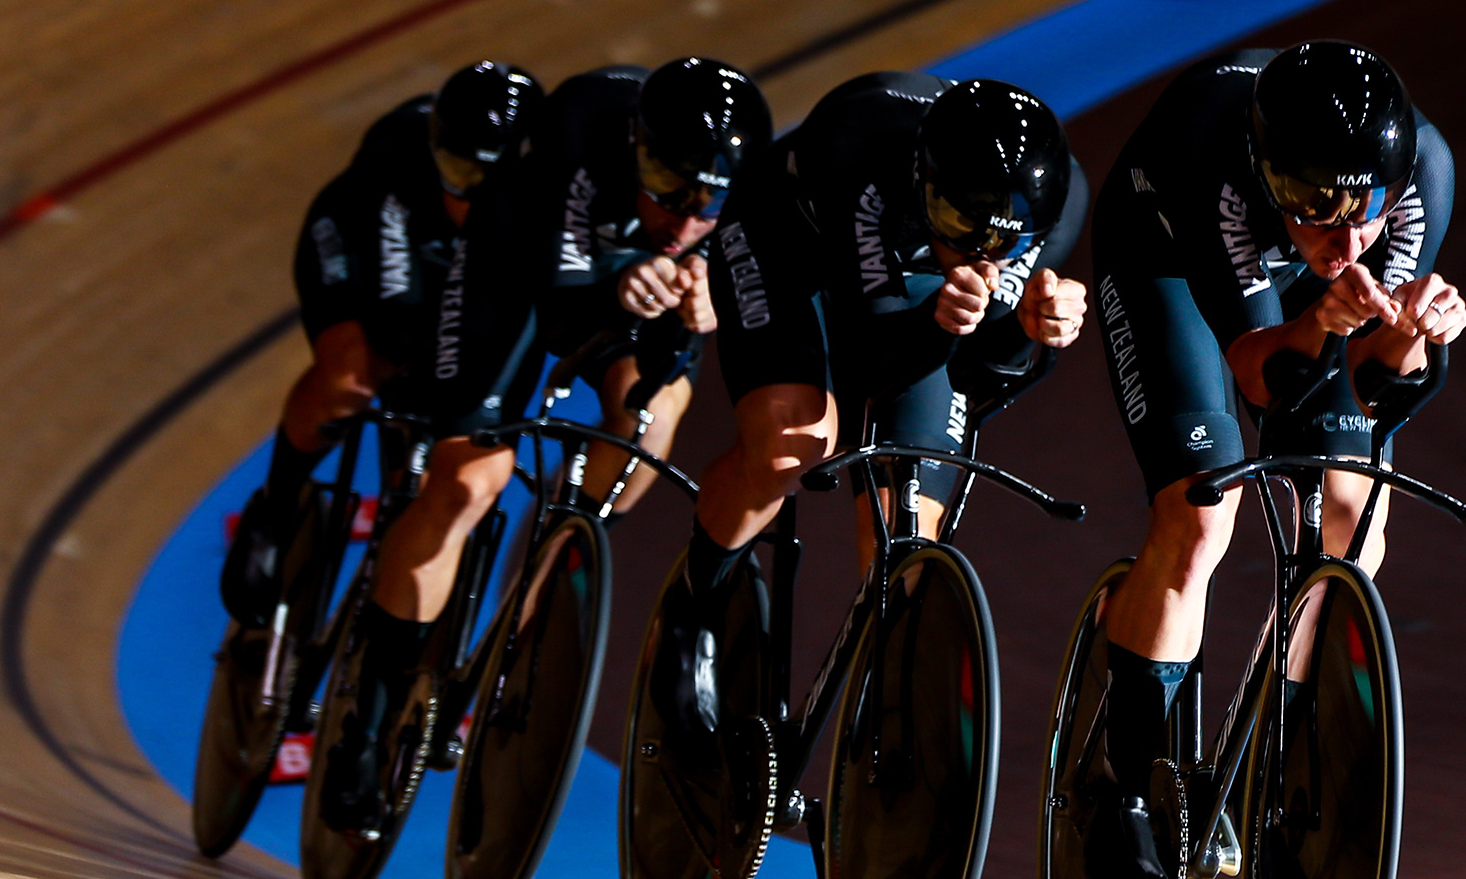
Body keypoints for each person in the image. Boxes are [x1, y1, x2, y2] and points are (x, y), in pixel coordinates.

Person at [1086, 41, 1466, 879]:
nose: (1344, 234)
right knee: (1199, 514)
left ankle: (1277, 757)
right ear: (1268, 176)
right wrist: (1323, 323)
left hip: (1298, 297)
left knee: (1351, 529)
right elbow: (1263, 378)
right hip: (1171, 265)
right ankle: (1122, 785)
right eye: (1310, 204)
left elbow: (1367, 384)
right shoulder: (1216, 164)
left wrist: (1415, 331)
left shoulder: (1421, 175)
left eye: (1361, 210)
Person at [658, 72, 1091, 708]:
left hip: (909, 292)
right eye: (952, 220)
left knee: (907, 530)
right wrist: (943, 324)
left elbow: (981, 384)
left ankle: (891, 710)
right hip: (787, 247)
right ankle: (693, 606)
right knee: (792, 444)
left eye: (999, 243)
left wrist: (1034, 336)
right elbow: (872, 360)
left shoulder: (1055, 201)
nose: (972, 252)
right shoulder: (861, 139)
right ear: (923, 179)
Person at [219, 60, 547, 833]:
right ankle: (280, 501)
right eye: (459, 167)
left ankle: (379, 674)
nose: (469, 187)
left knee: (444, 474)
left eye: (487, 174)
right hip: (366, 249)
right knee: (353, 375)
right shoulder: (405, 154)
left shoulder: (533, 198)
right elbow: (400, 308)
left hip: (461, 286)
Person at [526, 58, 770, 511]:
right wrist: (620, 272)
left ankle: (559, 558)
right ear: (638, 153)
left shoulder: (748, 188)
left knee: (650, 420)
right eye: (671, 199)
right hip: (532, 258)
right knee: (472, 459)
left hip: (621, 272)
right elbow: (557, 303)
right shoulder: (582, 128)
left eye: (706, 213)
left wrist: (712, 287)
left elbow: (746, 271)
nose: (682, 231)